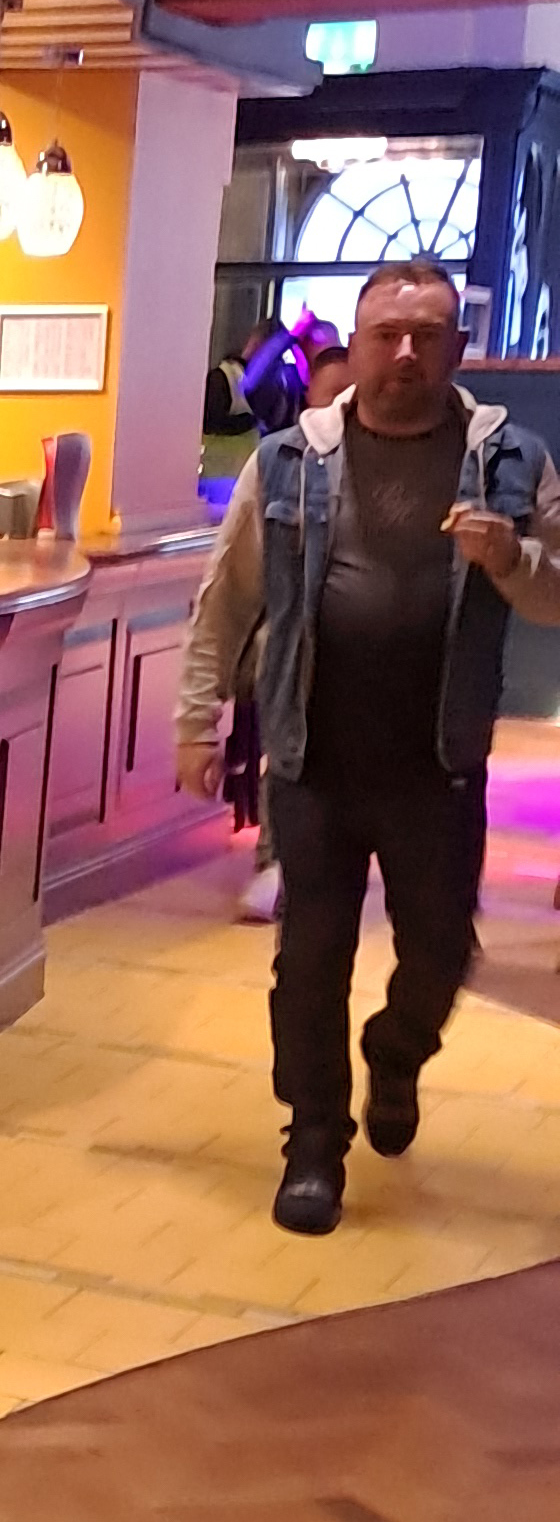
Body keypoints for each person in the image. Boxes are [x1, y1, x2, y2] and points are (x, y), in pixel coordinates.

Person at [177, 260, 560, 1233]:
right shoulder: (288, 461)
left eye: (426, 335)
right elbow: (225, 597)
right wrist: (196, 718)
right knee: (310, 956)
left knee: (439, 952)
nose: (403, 353)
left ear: (455, 348)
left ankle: (396, 1053)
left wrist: (511, 559)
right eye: (386, 333)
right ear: (353, 344)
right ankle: (313, 1145)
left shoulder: (514, 461)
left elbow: (558, 594)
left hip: (439, 762)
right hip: (316, 754)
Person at [231, 336, 354, 924]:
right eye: (328, 398)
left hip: (348, 656)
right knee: (284, 733)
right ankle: (273, 860)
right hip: (282, 647)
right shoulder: (279, 458)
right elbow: (231, 588)